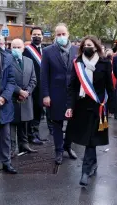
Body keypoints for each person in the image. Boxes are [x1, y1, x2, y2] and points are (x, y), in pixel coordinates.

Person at [65, 35, 114, 186]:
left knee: (90, 140)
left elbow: (109, 87)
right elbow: (72, 87)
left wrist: (111, 107)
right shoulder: (77, 63)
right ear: (81, 47)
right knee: (87, 138)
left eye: (90, 45)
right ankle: (92, 164)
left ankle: (85, 172)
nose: (88, 47)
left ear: (96, 47)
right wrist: (70, 106)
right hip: (81, 106)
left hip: (98, 106)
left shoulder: (104, 63)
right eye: (85, 45)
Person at [41, 23, 78, 165]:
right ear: (55, 36)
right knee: (57, 123)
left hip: (72, 94)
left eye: (63, 34)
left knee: (72, 123)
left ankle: (68, 146)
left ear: (68, 34)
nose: (61, 37)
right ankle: (58, 150)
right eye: (58, 34)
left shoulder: (76, 50)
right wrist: (45, 95)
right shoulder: (48, 51)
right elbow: (44, 75)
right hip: (55, 94)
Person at [23, 26, 52, 145]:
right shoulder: (26, 50)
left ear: (42, 36)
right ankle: (31, 136)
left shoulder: (44, 50)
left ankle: (36, 134)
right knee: (33, 112)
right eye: (34, 34)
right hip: (32, 87)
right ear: (31, 36)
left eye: (39, 34)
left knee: (39, 111)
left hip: (43, 87)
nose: (37, 36)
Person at [10, 39, 37, 154]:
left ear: (23, 48)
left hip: (26, 98)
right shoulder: (6, 61)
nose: (16, 49)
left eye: (18, 47)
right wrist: (19, 91)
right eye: (13, 47)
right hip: (12, 98)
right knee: (12, 124)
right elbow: (6, 80)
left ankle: (24, 145)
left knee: (24, 123)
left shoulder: (29, 61)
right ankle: (11, 148)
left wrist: (27, 92)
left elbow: (33, 79)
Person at [0, 48, 17, 174]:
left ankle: (6, 162)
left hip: (3, 104)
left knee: (5, 136)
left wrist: (4, 97)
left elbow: (11, 81)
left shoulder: (7, 57)